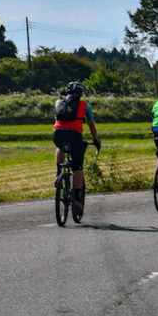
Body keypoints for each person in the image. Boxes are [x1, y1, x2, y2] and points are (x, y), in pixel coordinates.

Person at [52, 81, 100, 219]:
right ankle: (77, 198)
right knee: (78, 167)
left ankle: (58, 171)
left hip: (58, 135)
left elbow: (57, 118)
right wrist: (95, 139)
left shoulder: (57, 103)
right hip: (75, 136)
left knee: (60, 146)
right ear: (81, 94)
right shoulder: (85, 106)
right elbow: (91, 125)